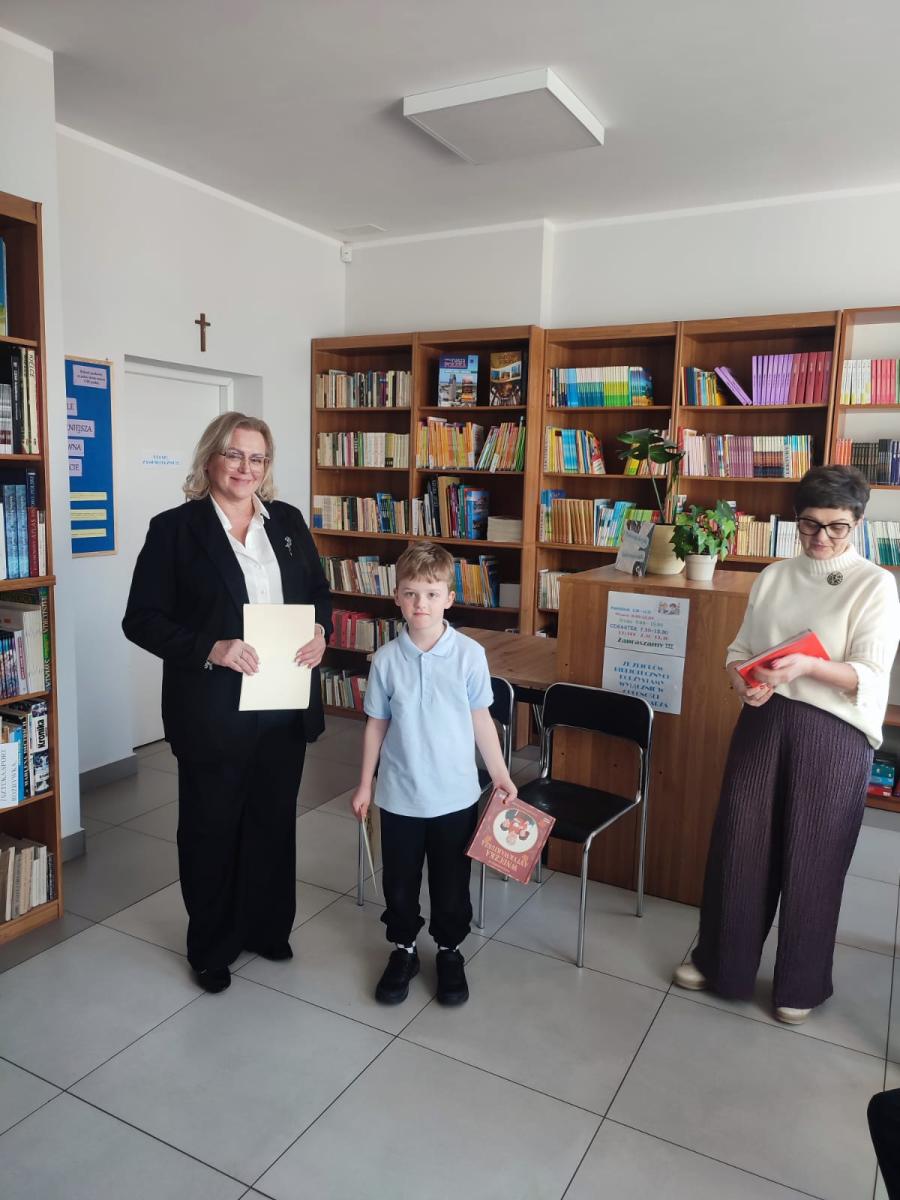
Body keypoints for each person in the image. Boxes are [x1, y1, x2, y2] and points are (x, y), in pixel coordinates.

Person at [673, 465, 900, 1023]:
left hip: (835, 733)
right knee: (738, 842)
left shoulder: (874, 584)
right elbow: (739, 650)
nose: (821, 538)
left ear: (858, 523)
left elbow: (871, 675)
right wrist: (741, 681)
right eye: (809, 525)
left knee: (816, 855)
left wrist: (807, 666)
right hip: (764, 719)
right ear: (795, 521)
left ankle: (800, 981)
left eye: (836, 527)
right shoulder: (775, 575)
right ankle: (720, 960)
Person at [123, 412, 332, 993]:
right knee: (211, 828)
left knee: (271, 820)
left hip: (284, 701)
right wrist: (210, 648)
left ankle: (265, 927)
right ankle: (213, 945)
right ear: (210, 458)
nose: (246, 468)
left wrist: (321, 632)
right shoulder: (174, 529)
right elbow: (141, 619)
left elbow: (317, 592)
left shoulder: (286, 521)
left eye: (257, 458)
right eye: (235, 455)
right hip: (212, 706)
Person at [349, 541, 517, 1007]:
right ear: (397, 597)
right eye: (410, 593)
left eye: (430, 593)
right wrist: (364, 784)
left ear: (449, 598)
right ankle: (403, 949)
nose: (420, 603)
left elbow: (481, 719)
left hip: (455, 798)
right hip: (398, 797)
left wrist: (501, 775)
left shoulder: (469, 655)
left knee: (451, 884)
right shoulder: (385, 659)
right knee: (400, 883)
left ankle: (449, 950)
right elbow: (376, 724)